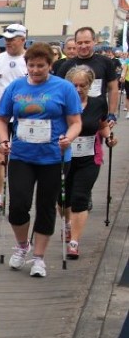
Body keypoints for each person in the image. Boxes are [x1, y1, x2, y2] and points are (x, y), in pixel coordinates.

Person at [0, 42, 82, 277]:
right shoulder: (15, 87)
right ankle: (23, 246)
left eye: (40, 66)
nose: (35, 70)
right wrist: (3, 141)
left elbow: (75, 122)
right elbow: (1, 119)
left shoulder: (64, 88)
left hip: (53, 156)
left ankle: (39, 258)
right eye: (31, 65)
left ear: (50, 65)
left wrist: (68, 138)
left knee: (46, 207)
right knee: (19, 206)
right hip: (22, 155)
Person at [63, 65, 116, 259]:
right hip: (65, 158)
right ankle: (68, 223)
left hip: (89, 158)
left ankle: (74, 242)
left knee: (80, 198)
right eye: (74, 85)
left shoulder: (98, 103)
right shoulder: (63, 103)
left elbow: (102, 125)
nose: (78, 89)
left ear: (89, 85)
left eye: (83, 85)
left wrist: (109, 138)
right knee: (62, 200)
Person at [0, 23, 29, 219]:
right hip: (0, 118)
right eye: (6, 39)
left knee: (19, 161)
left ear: (22, 39)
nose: (8, 42)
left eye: (12, 39)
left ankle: (19, 197)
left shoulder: (29, 61)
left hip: (23, 119)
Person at [56, 27, 119, 125]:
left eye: (87, 42)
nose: (83, 46)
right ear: (76, 43)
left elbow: (113, 89)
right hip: (72, 117)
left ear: (94, 42)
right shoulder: (66, 65)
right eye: (80, 43)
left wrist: (112, 113)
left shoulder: (105, 62)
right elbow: (58, 91)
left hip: (98, 118)